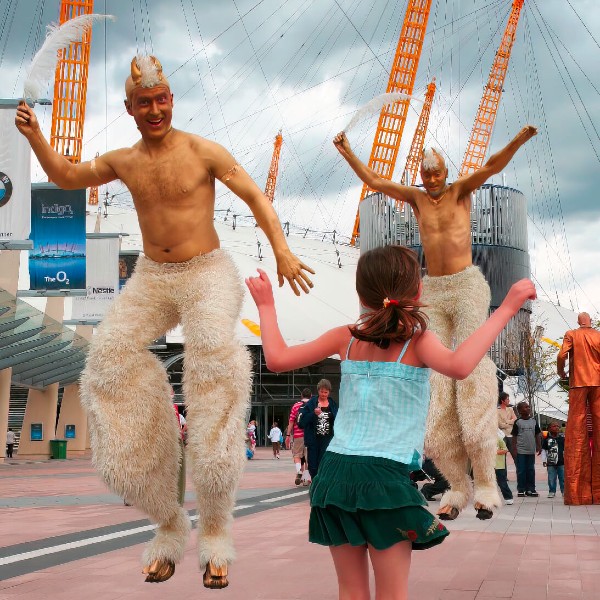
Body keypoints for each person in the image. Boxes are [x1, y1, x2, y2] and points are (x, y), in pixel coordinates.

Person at [15, 54, 315, 588]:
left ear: (171, 99)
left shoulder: (202, 151)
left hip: (206, 270)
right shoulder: (126, 160)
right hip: (154, 275)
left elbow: (254, 197)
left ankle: (218, 534)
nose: (155, 109)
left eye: (162, 99)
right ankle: (169, 520)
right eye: (143, 103)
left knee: (210, 360)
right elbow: (65, 175)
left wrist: (284, 250)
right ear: (129, 109)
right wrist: (37, 137)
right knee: (105, 360)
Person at [246, 244, 535, 600]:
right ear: (417, 291)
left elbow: (276, 359)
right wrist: (506, 308)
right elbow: (461, 365)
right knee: (392, 594)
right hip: (385, 477)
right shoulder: (416, 342)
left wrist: (266, 306)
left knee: (350, 592)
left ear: (360, 293)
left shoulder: (346, 337)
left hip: (336, 474)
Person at [334, 125, 537, 521]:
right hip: (434, 290)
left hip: (465, 286)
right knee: (435, 386)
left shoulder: (461, 190)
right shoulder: (415, 198)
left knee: (470, 371)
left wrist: (519, 138)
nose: (430, 180)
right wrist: (348, 153)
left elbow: (493, 165)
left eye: (436, 173)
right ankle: (455, 484)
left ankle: (484, 481)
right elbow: (375, 180)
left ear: (446, 171)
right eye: (425, 174)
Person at [557, 312, 600, 505]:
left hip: (578, 384)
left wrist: (561, 372)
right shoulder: (598, 335)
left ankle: (576, 494)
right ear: (590, 322)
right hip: (598, 383)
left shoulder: (571, 334)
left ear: (578, 322)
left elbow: (561, 355)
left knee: (576, 433)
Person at [297, 379, 338, 480]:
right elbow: (301, 423)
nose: (323, 394)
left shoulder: (332, 403)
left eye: (326, 392)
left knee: (324, 462)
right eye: (321, 391)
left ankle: (322, 482)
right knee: (313, 464)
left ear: (329, 392)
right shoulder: (311, 403)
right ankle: (315, 480)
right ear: (318, 390)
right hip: (313, 439)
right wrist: (313, 414)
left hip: (328, 439)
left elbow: (338, 419)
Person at [511, 402, 541, 497]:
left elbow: (537, 434)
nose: (528, 408)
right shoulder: (518, 422)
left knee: (531, 470)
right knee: (521, 470)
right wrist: (514, 449)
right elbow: (514, 437)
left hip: (531, 450)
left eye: (528, 407)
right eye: (525, 407)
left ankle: (531, 489)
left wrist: (539, 446)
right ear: (520, 411)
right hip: (521, 451)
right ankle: (521, 489)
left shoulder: (533, 421)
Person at [286, 388, 312, 485]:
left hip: (298, 435)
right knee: (307, 458)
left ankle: (298, 472)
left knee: (297, 455)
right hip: (310, 435)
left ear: (301, 396)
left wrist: (288, 435)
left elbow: (291, 421)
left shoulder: (296, 406)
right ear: (311, 396)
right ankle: (306, 479)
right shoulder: (313, 405)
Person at [541, 421, 565, 499]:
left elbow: (566, 450)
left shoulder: (562, 439)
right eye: (554, 426)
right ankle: (552, 491)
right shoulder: (546, 440)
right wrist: (544, 460)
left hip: (562, 462)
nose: (556, 427)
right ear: (549, 429)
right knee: (551, 478)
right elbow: (544, 450)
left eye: (558, 426)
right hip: (551, 463)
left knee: (563, 478)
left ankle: (564, 491)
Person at [495, 429, 513, 505]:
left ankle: (508, 497)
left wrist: (494, 451)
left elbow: (505, 450)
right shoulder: (484, 440)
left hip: (499, 465)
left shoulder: (498, 438)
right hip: (488, 465)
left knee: (501, 482)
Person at [498, 392, 517, 462]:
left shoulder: (511, 409)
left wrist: (506, 422)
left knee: (515, 456)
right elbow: (500, 425)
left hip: (511, 435)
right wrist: (510, 422)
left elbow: (515, 420)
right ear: (502, 401)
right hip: (502, 435)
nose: (509, 400)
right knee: (502, 457)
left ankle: (520, 472)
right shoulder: (497, 411)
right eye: (507, 399)